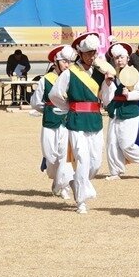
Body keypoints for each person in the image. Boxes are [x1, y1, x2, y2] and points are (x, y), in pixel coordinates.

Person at [48, 32, 106, 214]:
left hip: (95, 120)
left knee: (95, 163)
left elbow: (107, 99)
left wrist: (110, 83)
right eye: (88, 52)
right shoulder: (69, 73)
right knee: (82, 158)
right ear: (80, 53)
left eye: (93, 52)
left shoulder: (99, 73)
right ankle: (81, 201)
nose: (91, 56)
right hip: (76, 120)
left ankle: (76, 182)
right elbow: (55, 94)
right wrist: (69, 107)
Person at [30, 45, 75, 200]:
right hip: (49, 122)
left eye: (69, 61)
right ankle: (57, 180)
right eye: (64, 61)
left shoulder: (71, 78)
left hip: (67, 122)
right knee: (50, 157)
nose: (67, 64)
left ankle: (63, 186)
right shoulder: (46, 80)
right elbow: (36, 102)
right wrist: (48, 110)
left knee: (65, 155)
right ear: (55, 62)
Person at [100, 43, 139, 180]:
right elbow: (106, 98)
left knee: (126, 143)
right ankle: (116, 171)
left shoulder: (133, 72)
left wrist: (129, 95)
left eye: (121, 57)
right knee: (112, 142)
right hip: (115, 111)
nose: (119, 60)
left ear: (127, 58)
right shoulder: (112, 74)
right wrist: (107, 84)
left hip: (130, 112)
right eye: (116, 58)